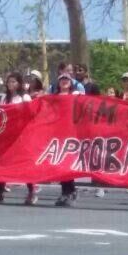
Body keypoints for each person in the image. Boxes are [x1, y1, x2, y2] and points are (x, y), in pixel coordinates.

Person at [0, 73, 38, 205]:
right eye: (9, 81)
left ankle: (32, 191)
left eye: (14, 82)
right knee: (2, 163)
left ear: (19, 83)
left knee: (24, 164)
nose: (11, 84)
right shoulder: (5, 98)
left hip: (21, 135)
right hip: (7, 135)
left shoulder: (24, 97)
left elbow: (31, 113)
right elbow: (1, 113)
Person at [53, 74, 82, 206]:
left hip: (70, 133)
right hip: (57, 133)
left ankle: (69, 191)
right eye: (62, 80)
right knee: (60, 164)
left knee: (67, 163)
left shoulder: (75, 95)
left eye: (67, 80)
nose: (64, 82)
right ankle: (67, 191)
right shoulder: (54, 97)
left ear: (71, 83)